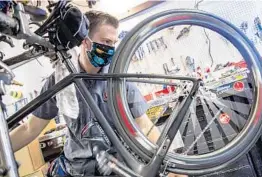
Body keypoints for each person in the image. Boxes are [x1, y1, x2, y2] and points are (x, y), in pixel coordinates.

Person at [10, 10, 162, 176]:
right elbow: (30, 128)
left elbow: (145, 125)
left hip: (114, 166)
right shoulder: (61, 79)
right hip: (77, 168)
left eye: (113, 43)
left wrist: (167, 163)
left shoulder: (118, 79)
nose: (110, 48)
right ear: (85, 41)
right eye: (105, 41)